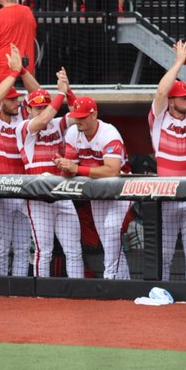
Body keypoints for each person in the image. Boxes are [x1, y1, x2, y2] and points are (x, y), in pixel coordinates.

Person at [56, 94, 131, 279]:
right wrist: (64, 166)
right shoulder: (73, 133)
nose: (78, 121)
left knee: (111, 228)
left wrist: (77, 169)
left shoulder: (109, 133)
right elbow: (71, 169)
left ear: (94, 115)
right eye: (76, 117)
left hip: (120, 189)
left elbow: (112, 171)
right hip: (97, 191)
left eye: (82, 117)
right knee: (108, 241)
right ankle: (124, 283)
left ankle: (109, 278)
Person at [18, 70, 84, 278]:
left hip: (61, 193)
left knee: (74, 249)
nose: (42, 111)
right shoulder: (24, 127)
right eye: (37, 107)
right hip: (38, 197)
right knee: (43, 251)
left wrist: (68, 90)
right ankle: (40, 292)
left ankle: (78, 288)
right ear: (28, 109)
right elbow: (42, 120)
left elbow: (77, 113)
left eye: (44, 106)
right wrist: (60, 94)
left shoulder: (57, 123)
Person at [151, 41, 186, 282]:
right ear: (172, 102)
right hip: (167, 198)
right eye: (183, 98)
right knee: (164, 255)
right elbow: (161, 92)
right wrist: (178, 63)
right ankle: (159, 295)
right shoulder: (159, 119)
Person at [0, 46, 34, 277]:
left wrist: (22, 71)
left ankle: (19, 286)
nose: (17, 103)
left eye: (17, 99)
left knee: (22, 246)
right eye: (12, 100)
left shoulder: (23, 117)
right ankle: (1, 285)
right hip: (1, 190)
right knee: (1, 246)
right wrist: (12, 73)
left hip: (22, 189)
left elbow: (39, 94)